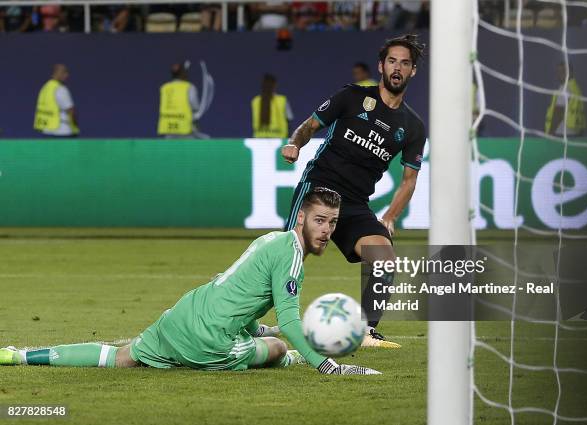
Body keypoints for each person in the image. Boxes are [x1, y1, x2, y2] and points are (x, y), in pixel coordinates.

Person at [1, 188, 380, 376]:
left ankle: (18, 355)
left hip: (184, 312)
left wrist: (259, 325)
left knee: (121, 356)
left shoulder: (270, 239)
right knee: (278, 349)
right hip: (209, 340)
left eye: (332, 222)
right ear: (301, 219)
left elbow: (242, 293)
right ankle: (294, 358)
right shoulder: (292, 255)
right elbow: (292, 322)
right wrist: (328, 366)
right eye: (320, 220)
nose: (327, 230)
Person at [281, 34, 426, 348]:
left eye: (404, 63)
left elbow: (409, 181)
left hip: (357, 203)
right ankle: (255, 320)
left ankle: (364, 331)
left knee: (384, 258)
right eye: (392, 61)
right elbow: (308, 125)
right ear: (381, 66)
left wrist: (389, 216)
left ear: (412, 71)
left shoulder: (413, 126)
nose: (397, 68)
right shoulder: (352, 97)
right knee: (288, 256)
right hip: (319, 187)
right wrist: (295, 143)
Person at [33, 64, 79, 137]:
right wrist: (75, 127)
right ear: (57, 73)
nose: (67, 75)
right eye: (64, 72)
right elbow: (71, 111)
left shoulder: (45, 88)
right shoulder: (60, 89)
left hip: (47, 131)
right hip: (63, 131)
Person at [157, 63, 199, 137]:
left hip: (168, 129)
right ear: (183, 73)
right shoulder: (189, 87)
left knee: (171, 148)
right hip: (184, 129)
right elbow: (195, 107)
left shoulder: (164, 88)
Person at [545, 62, 586, 137]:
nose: (560, 74)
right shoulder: (576, 88)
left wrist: (550, 132)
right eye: (558, 72)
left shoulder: (564, 89)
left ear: (571, 72)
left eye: (563, 71)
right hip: (575, 132)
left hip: (562, 133)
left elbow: (559, 111)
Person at [251, 73, 293, 138]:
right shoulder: (283, 100)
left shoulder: (255, 101)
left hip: (259, 139)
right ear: (275, 85)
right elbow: (289, 120)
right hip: (280, 140)